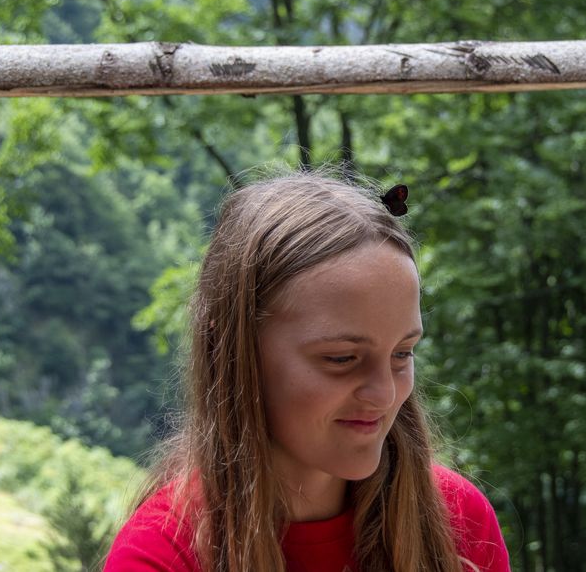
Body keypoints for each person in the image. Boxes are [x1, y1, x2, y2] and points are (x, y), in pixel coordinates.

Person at [104, 171, 510, 572]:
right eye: (342, 358)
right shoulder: (159, 556)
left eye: (402, 353)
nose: (385, 394)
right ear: (232, 349)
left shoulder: (457, 521)